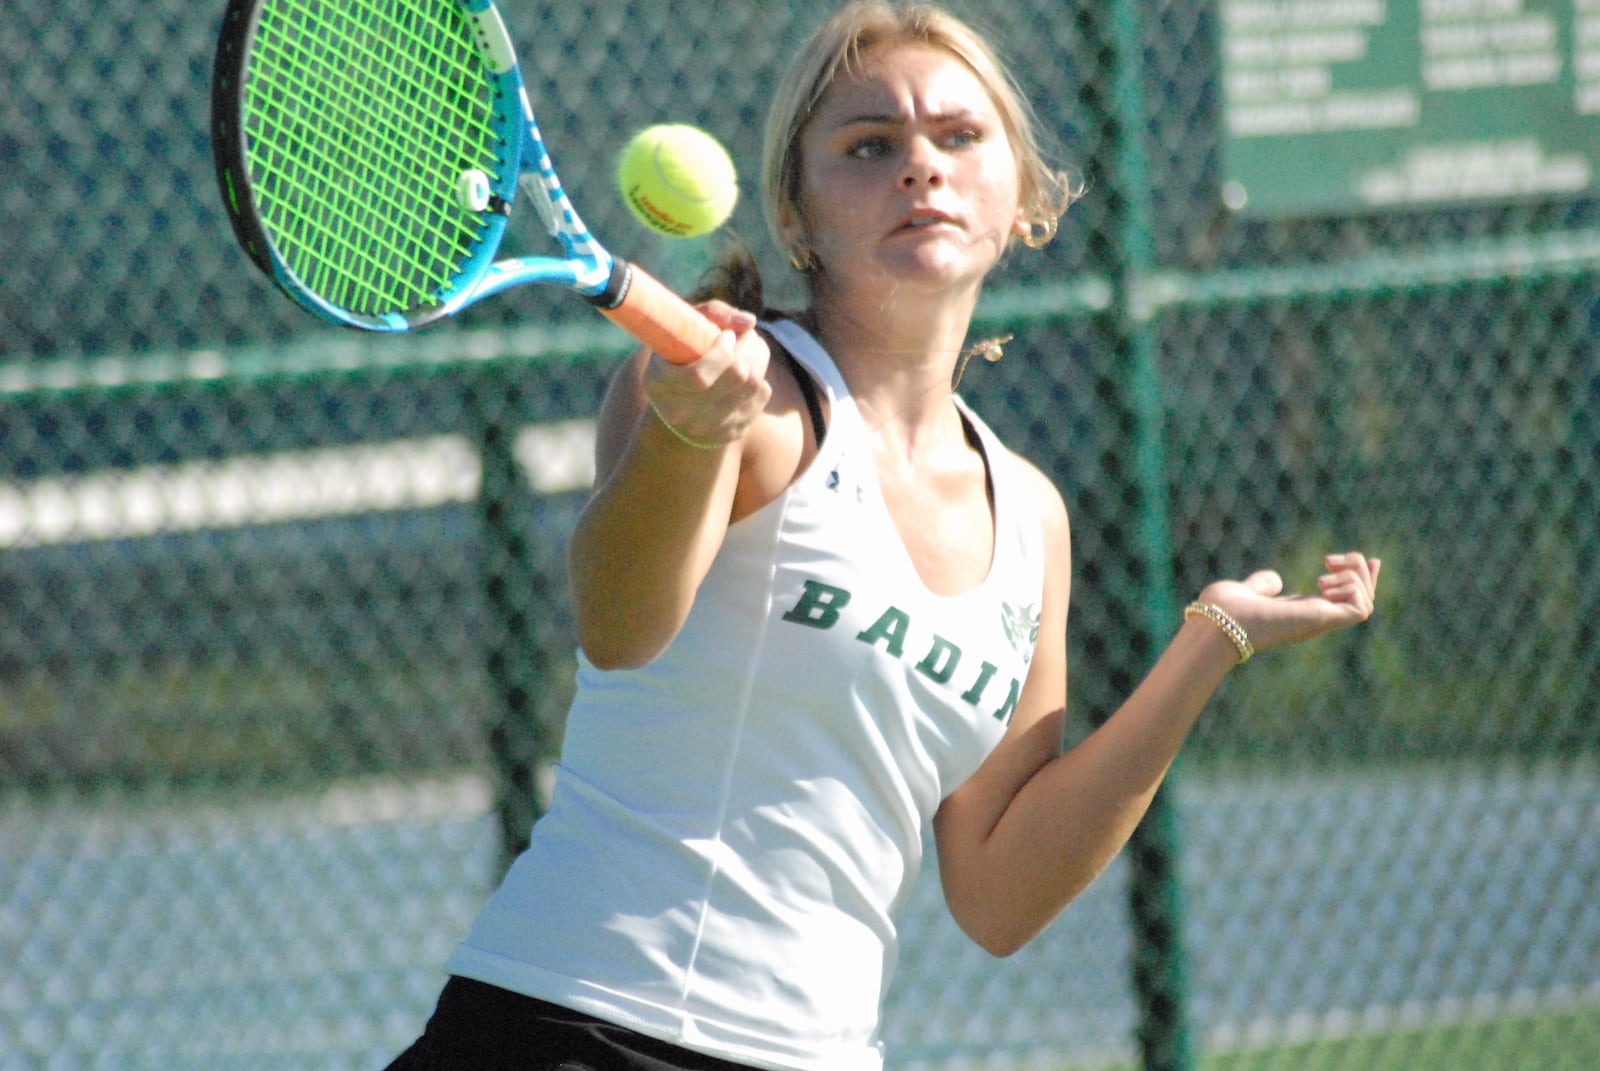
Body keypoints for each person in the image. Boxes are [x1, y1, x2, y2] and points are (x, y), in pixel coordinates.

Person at [385, 2, 1381, 1069]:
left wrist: (1209, 643)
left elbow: (1001, 890)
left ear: (1024, 202)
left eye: (958, 136)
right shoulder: (733, 397)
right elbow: (619, 629)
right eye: (870, 146)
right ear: (799, 213)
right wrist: (684, 434)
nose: (920, 167)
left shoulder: (1031, 512)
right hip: (575, 1026)